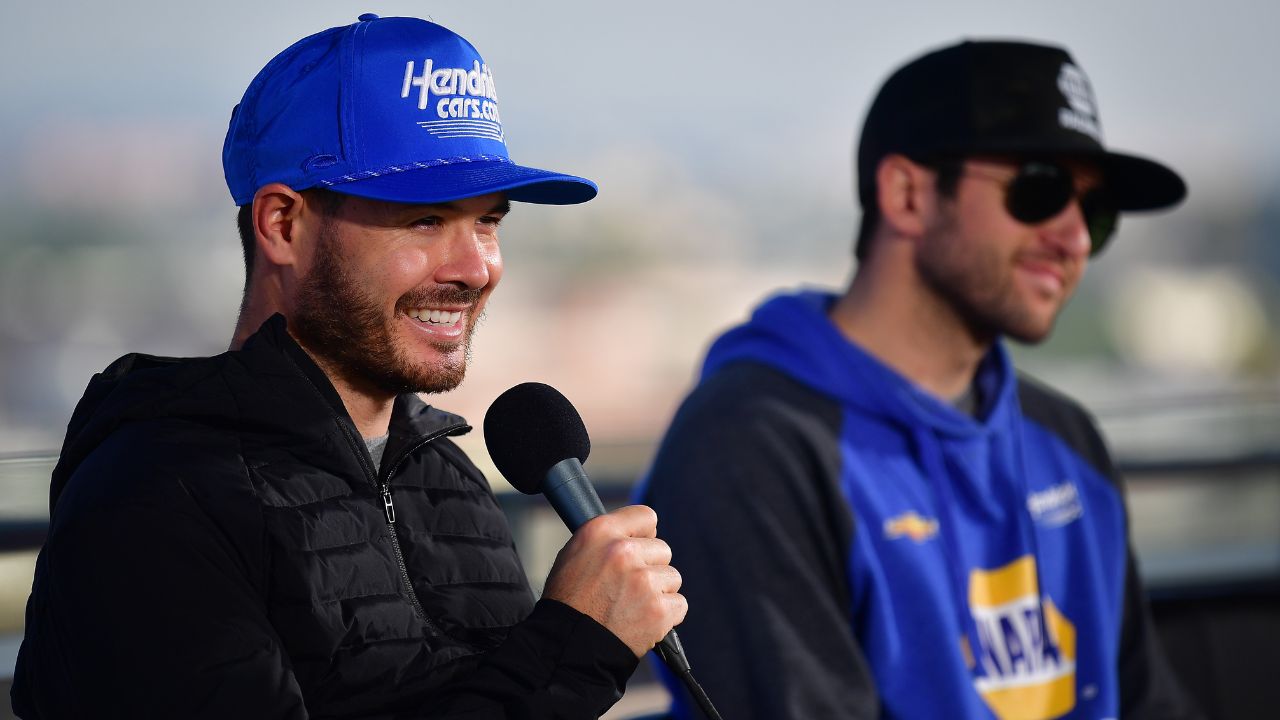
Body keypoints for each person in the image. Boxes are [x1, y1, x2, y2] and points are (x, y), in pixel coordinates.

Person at [13, 14, 685, 719]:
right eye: (425, 220)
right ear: (283, 225)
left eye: (489, 221)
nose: (476, 267)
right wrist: (573, 647)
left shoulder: (448, 479)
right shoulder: (154, 496)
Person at [640, 40, 1201, 719]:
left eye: (1096, 210)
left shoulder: (1066, 439)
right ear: (907, 194)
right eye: (1041, 189)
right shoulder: (749, 445)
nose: (1075, 237)